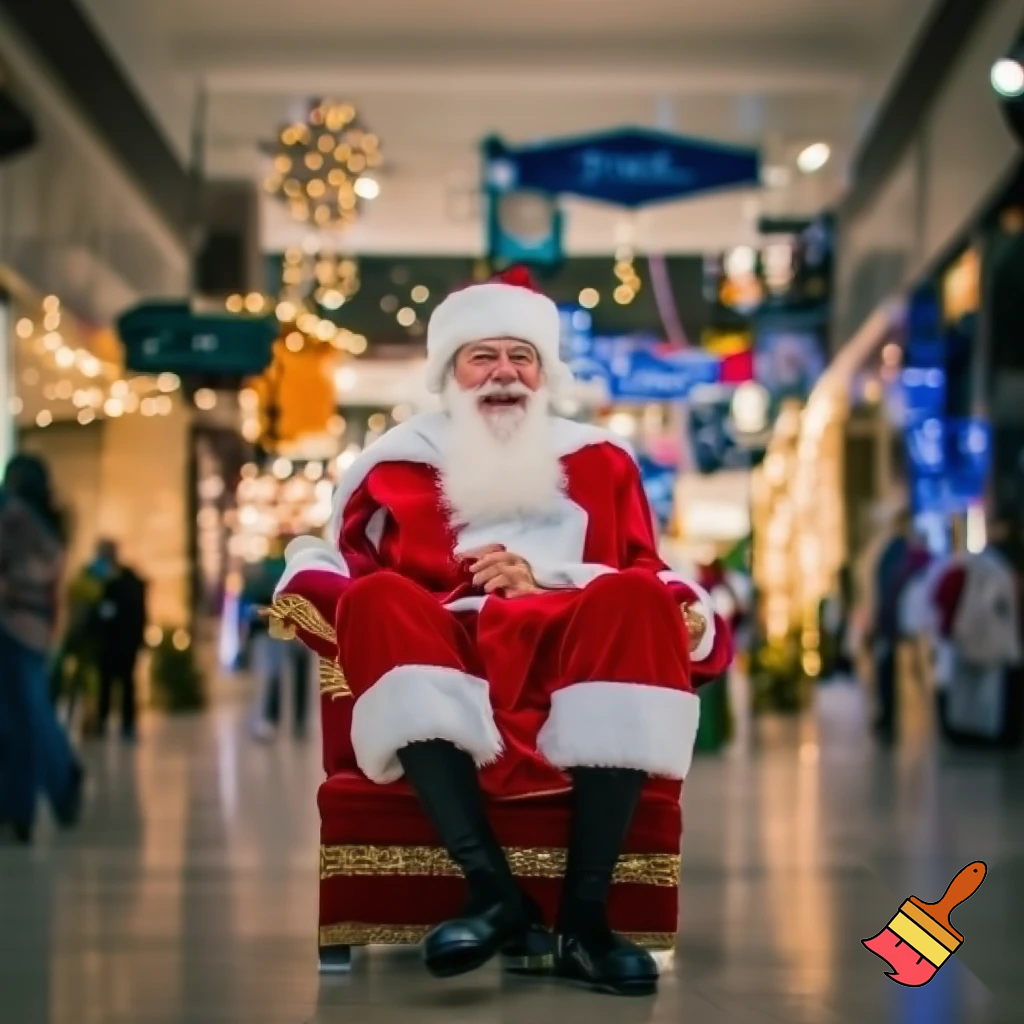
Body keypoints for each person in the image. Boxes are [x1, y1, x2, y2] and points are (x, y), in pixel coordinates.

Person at [273, 267, 733, 995]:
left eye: (521, 357)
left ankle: (584, 918)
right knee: (383, 597)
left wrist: (547, 580)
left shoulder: (602, 459)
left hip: (573, 644)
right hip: (445, 642)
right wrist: (318, 581)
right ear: (449, 372)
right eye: (482, 356)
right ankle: (491, 889)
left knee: (640, 600)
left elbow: (647, 567)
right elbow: (338, 560)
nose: (504, 374)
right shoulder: (394, 462)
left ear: (544, 372)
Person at [0, 453, 83, 843]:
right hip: (37, 625)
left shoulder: (15, 517)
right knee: (28, 710)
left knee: (20, 715)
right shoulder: (51, 522)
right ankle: (38, 793)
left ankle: (40, 792)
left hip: (13, 622)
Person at [870, 509, 930, 740]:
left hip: (902, 622)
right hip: (898, 622)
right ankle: (889, 716)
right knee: (893, 670)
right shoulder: (899, 553)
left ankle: (892, 716)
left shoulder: (898, 553)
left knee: (895, 670)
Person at [243, 541, 310, 741]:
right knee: (281, 672)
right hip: (291, 623)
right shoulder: (295, 566)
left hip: (289, 624)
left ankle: (281, 720)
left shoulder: (271, 569)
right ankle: (291, 721)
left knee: (279, 672)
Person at [89, 540, 147, 740]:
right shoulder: (96, 580)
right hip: (106, 641)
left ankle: (127, 724)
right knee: (105, 684)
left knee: (126, 683)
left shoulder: (128, 580)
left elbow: (138, 613)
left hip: (125, 641)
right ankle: (103, 721)